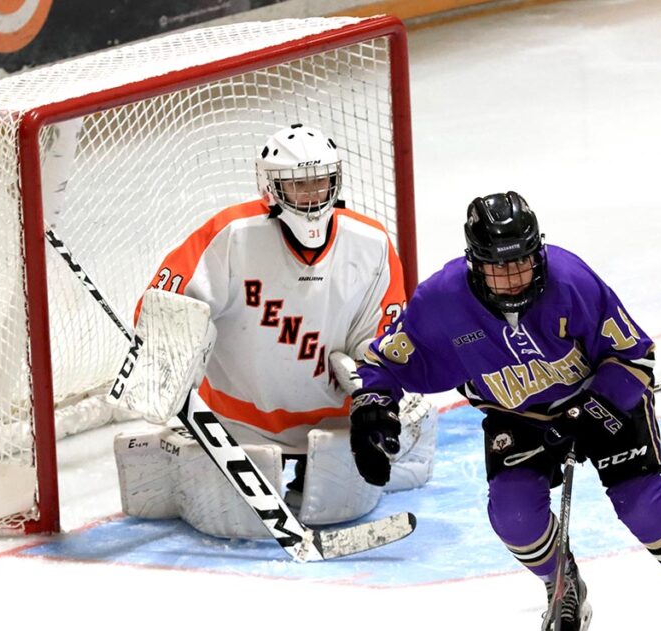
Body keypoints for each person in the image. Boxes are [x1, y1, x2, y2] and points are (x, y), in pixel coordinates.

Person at [349, 190, 661, 631]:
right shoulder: (442, 301)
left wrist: (593, 413)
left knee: (643, 505)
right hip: (516, 416)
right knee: (514, 516)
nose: (512, 278)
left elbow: (634, 356)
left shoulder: (570, 280)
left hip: (601, 398)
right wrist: (372, 405)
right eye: (498, 267)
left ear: (537, 251)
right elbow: (386, 361)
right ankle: (562, 584)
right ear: (474, 263)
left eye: (520, 262)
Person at [113, 124, 436, 540]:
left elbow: (381, 340)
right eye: (298, 185)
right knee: (235, 522)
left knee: (338, 509)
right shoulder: (232, 235)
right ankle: (173, 453)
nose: (312, 196)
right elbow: (164, 305)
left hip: (333, 425)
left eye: (320, 182)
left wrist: (374, 401)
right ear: (270, 187)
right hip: (236, 424)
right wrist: (170, 358)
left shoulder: (369, 243)